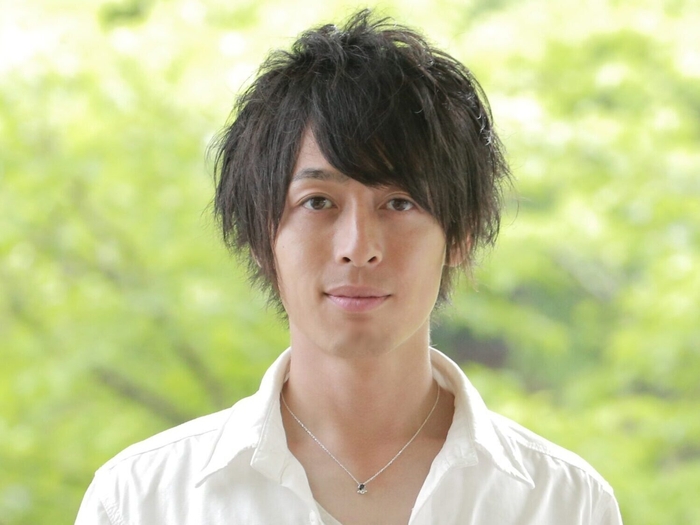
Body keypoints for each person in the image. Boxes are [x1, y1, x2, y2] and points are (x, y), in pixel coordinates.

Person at [75, 9, 623, 525]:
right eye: (318, 202)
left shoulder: (562, 503)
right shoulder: (142, 500)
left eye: (400, 203)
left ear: (459, 235)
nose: (358, 247)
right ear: (262, 234)